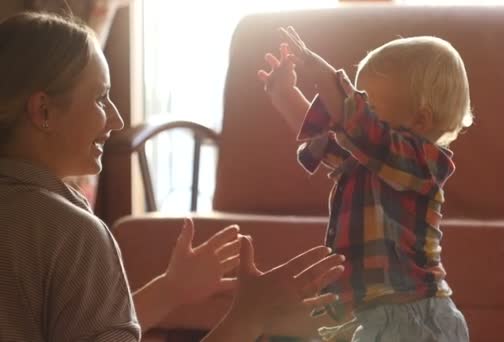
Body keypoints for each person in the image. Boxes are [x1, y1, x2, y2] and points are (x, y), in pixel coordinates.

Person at [0, 12, 344, 341]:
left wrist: (169, 291)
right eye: (101, 98)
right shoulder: (72, 234)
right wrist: (248, 318)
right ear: (43, 110)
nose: (117, 120)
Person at [258, 26, 472, 341]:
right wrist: (284, 93)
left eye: (367, 104)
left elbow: (356, 122)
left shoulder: (420, 162)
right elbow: (326, 136)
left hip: (413, 318)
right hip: (372, 315)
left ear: (421, 121)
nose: (354, 113)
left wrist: (319, 70)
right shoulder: (366, 156)